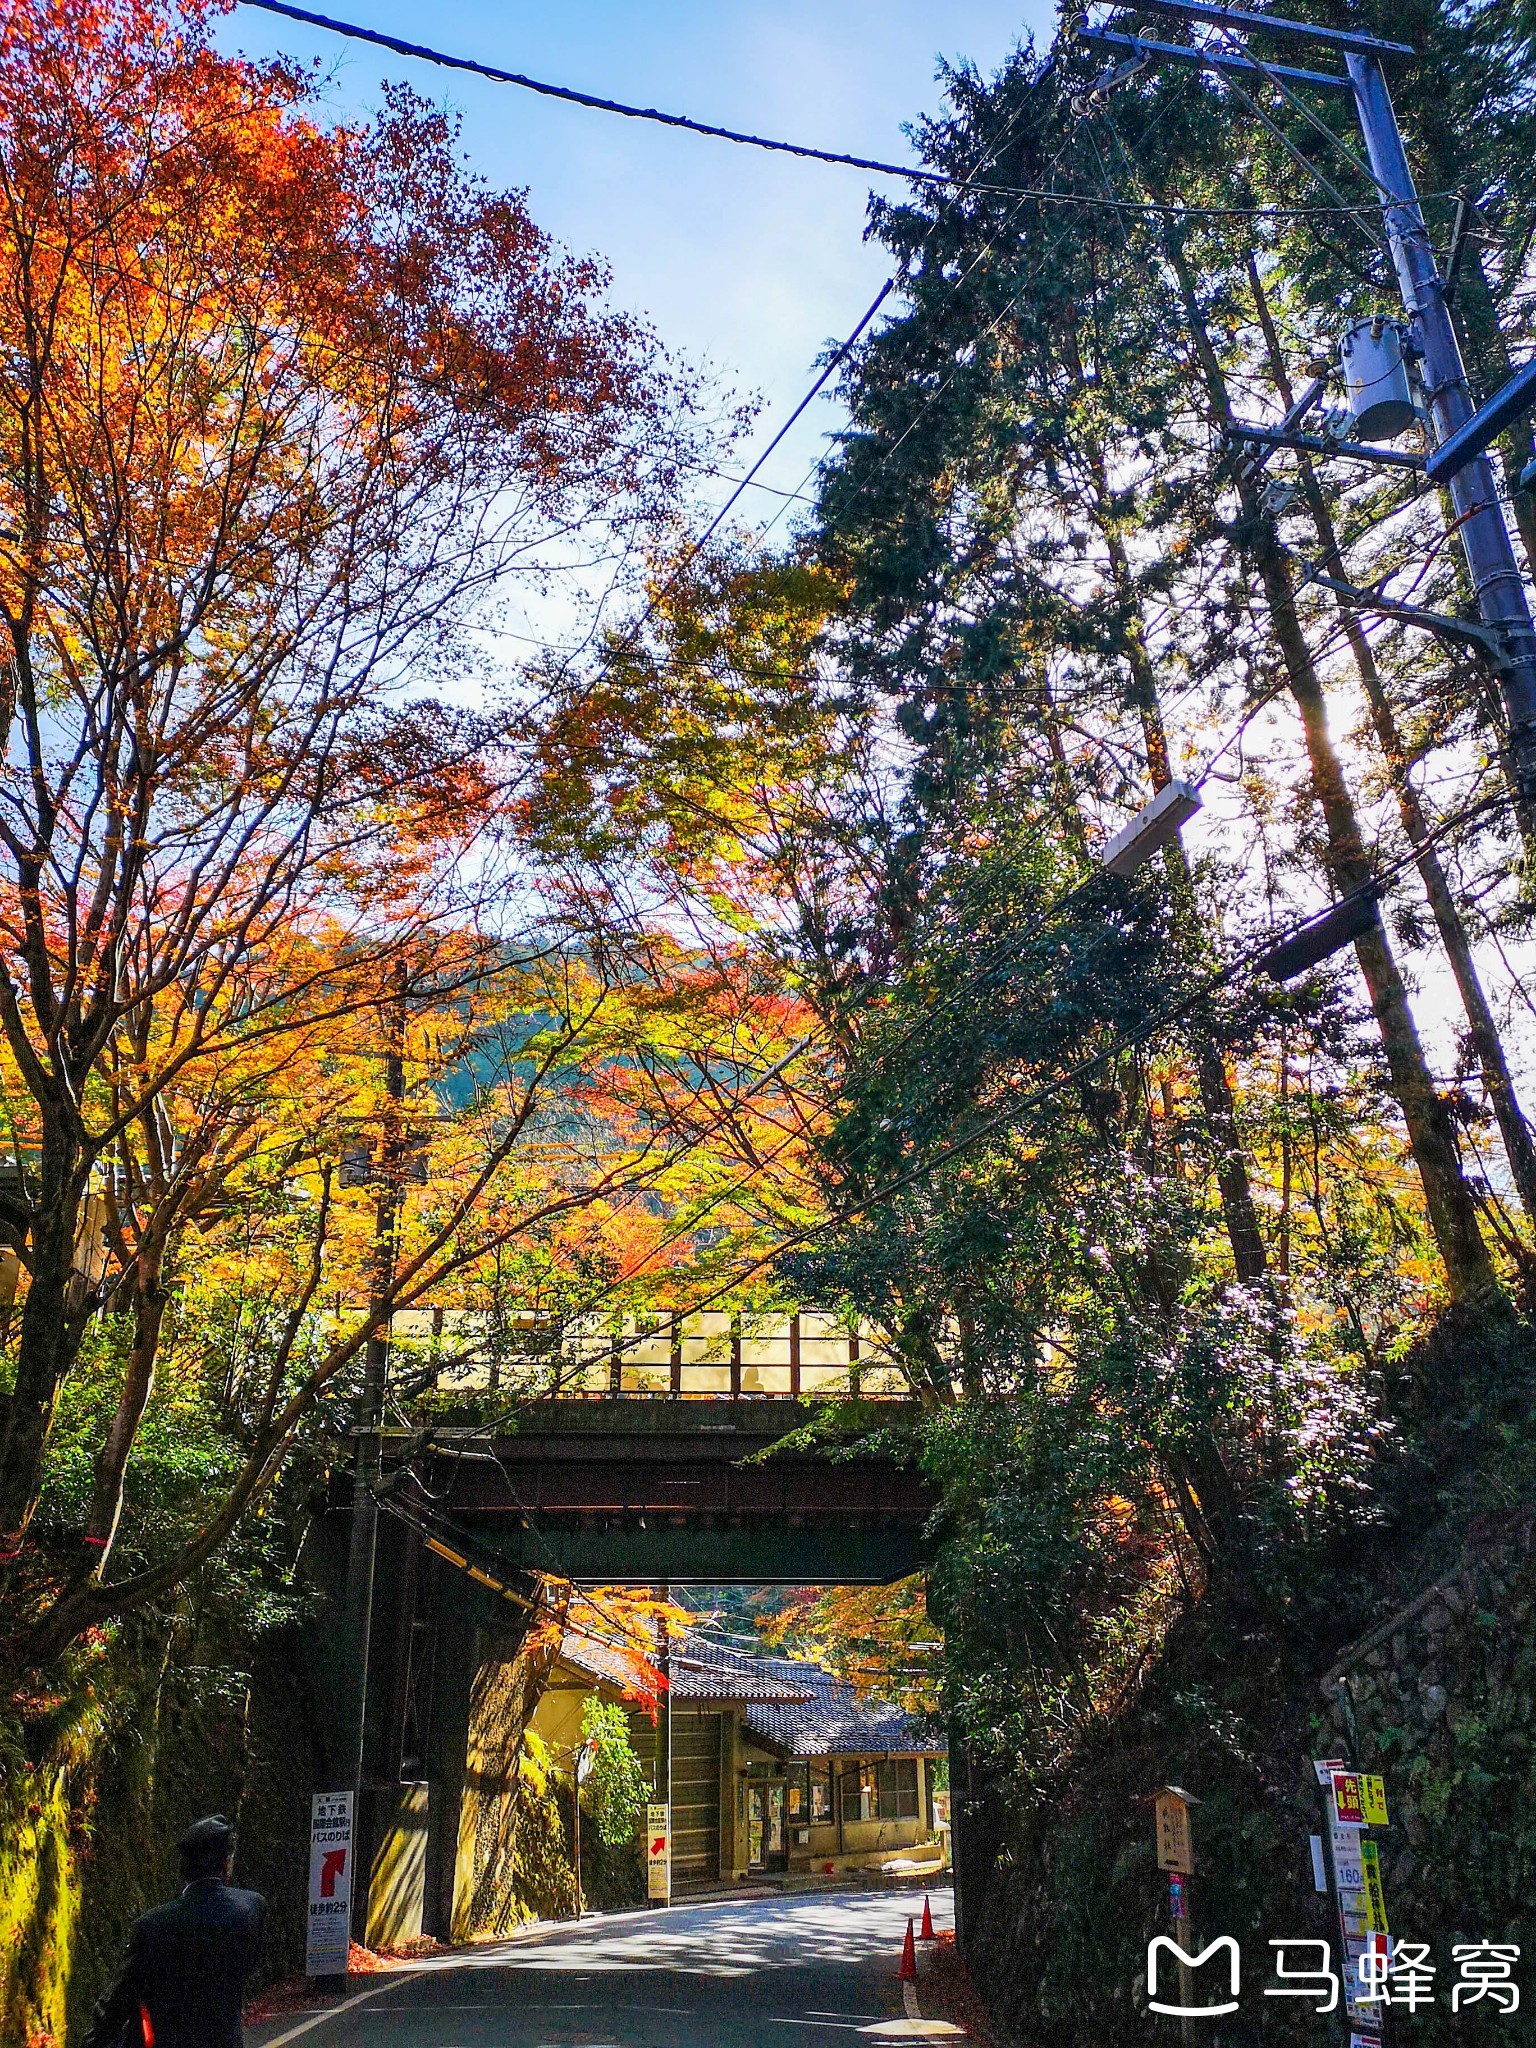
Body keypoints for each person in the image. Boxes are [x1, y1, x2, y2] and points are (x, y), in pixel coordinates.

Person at [83, 1815, 266, 2048]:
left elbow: (120, 1999)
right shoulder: (252, 1908)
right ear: (226, 1863)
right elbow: (248, 1965)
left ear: (183, 1868)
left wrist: (95, 2039)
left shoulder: (152, 1926)